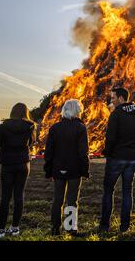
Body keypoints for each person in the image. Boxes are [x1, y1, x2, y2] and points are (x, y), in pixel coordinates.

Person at [100, 87, 135, 233]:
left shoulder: (116, 115)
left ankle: (105, 226)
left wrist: (108, 153)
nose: (111, 101)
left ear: (120, 99)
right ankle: (124, 226)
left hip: (116, 159)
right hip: (132, 160)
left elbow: (110, 138)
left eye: (113, 98)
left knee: (108, 191)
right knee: (127, 192)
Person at [44, 99, 90, 236]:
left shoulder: (54, 128)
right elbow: (83, 153)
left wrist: (49, 170)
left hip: (58, 170)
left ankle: (55, 229)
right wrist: (85, 170)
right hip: (74, 170)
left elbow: (48, 153)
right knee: (72, 200)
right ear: (77, 111)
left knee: (57, 199)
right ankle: (70, 229)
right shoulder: (81, 128)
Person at [0, 103, 35, 238]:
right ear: (25, 112)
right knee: (19, 196)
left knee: (5, 198)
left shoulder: (3, 127)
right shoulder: (30, 126)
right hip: (23, 164)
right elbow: (31, 142)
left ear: (12, 112)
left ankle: (1, 230)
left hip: (7, 164)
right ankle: (15, 228)